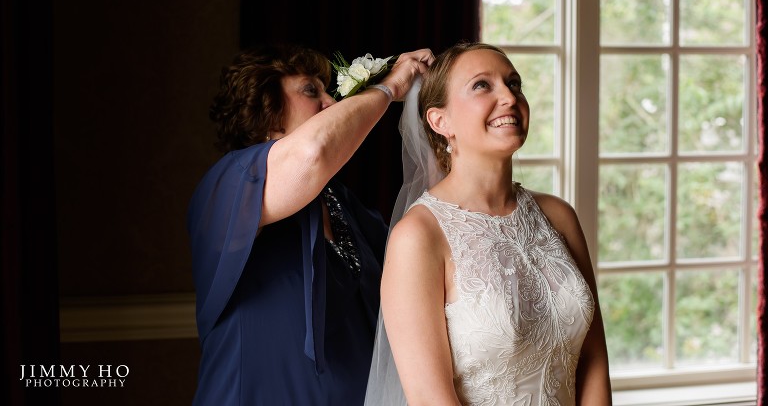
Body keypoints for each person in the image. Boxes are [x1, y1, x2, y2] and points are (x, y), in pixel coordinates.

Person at [187, 43, 434, 405]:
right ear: (268, 114)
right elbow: (311, 153)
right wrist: (389, 87)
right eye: (310, 91)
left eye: (326, 90)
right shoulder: (230, 183)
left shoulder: (343, 204)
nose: (330, 103)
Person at [370, 43, 611, 405]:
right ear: (440, 121)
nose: (510, 98)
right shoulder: (420, 235)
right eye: (482, 85)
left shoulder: (559, 216)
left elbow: (593, 361)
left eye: (514, 84)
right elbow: (429, 397)